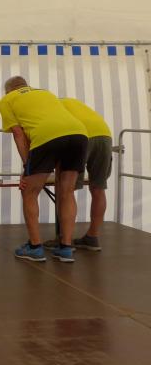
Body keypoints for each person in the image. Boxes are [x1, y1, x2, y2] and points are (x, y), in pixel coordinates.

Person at [1, 77, 87, 263]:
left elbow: (18, 134)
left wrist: (27, 166)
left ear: (8, 91)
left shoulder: (7, 99)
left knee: (29, 191)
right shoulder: (45, 92)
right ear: (26, 85)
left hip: (47, 136)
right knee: (67, 192)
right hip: (79, 134)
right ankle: (66, 248)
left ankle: (35, 247)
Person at [60, 98, 112, 251]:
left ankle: (65, 240)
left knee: (67, 190)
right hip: (105, 135)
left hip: (81, 135)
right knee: (98, 188)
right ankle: (92, 237)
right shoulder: (71, 102)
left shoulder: (51, 107)